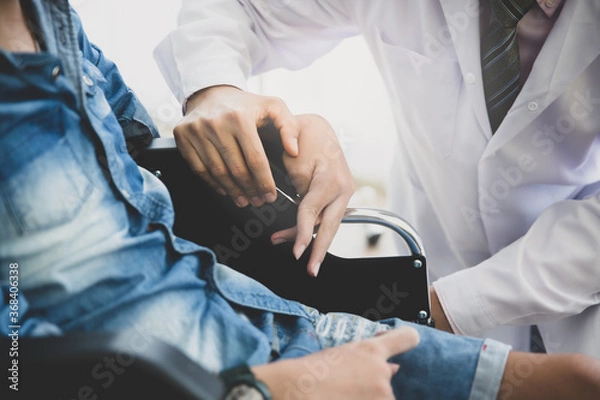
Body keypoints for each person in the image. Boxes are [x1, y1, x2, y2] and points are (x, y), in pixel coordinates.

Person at [3, 1, 600, 399]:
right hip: (216, 374)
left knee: (578, 380)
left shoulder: (50, 20)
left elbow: (141, 163)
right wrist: (261, 390)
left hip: (267, 322)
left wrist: (270, 129)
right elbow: (15, 361)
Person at [154, 0, 600, 356]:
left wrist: (439, 308)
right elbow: (242, 9)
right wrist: (215, 90)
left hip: (583, 289)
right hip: (434, 260)